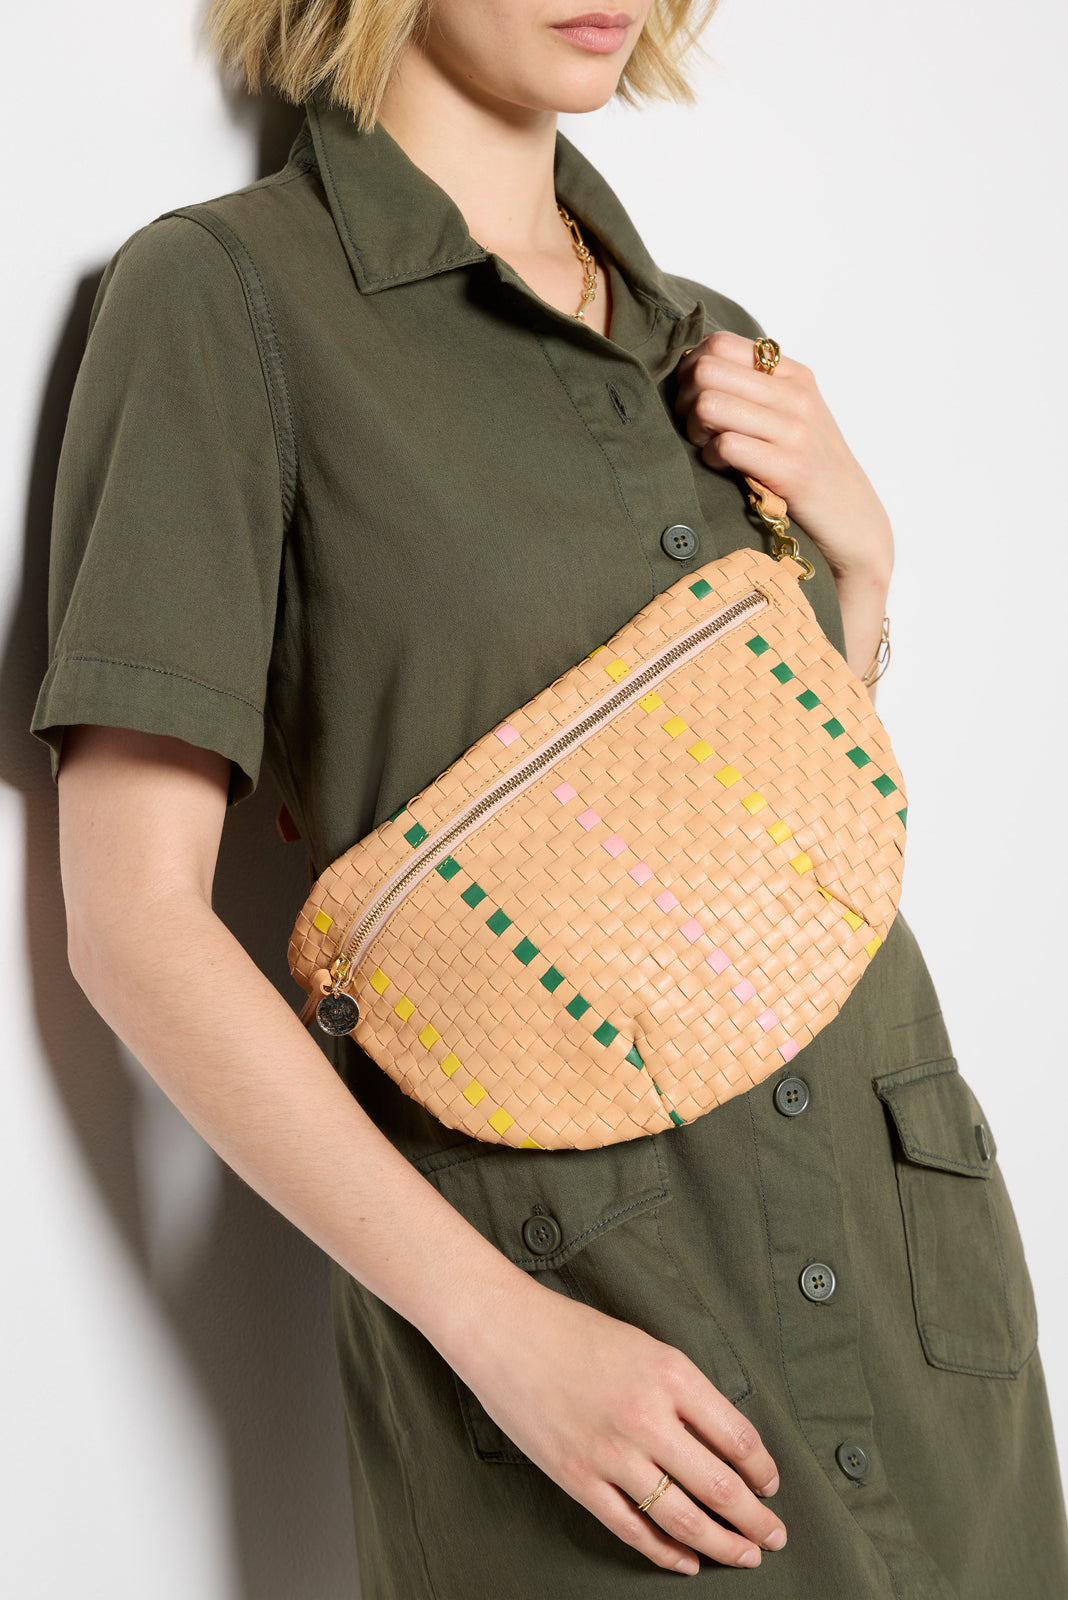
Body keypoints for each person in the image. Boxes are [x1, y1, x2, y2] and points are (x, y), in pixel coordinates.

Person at [32, 0, 1068, 1594]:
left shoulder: (712, 341)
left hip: (911, 1281)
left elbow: (764, 829)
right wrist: (496, 1327)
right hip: (584, 1325)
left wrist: (864, 570)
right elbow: (132, 923)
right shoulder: (227, 298)